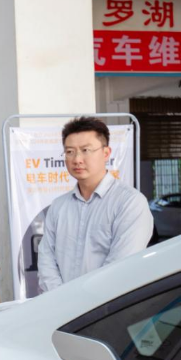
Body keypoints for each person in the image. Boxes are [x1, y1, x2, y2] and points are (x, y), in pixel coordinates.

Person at [38, 116, 153, 293]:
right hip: (61, 306)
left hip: (110, 307)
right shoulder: (58, 207)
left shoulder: (130, 203)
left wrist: (84, 303)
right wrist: (61, 300)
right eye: (70, 151)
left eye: (86, 150)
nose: (77, 159)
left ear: (106, 153)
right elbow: (46, 260)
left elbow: (120, 269)